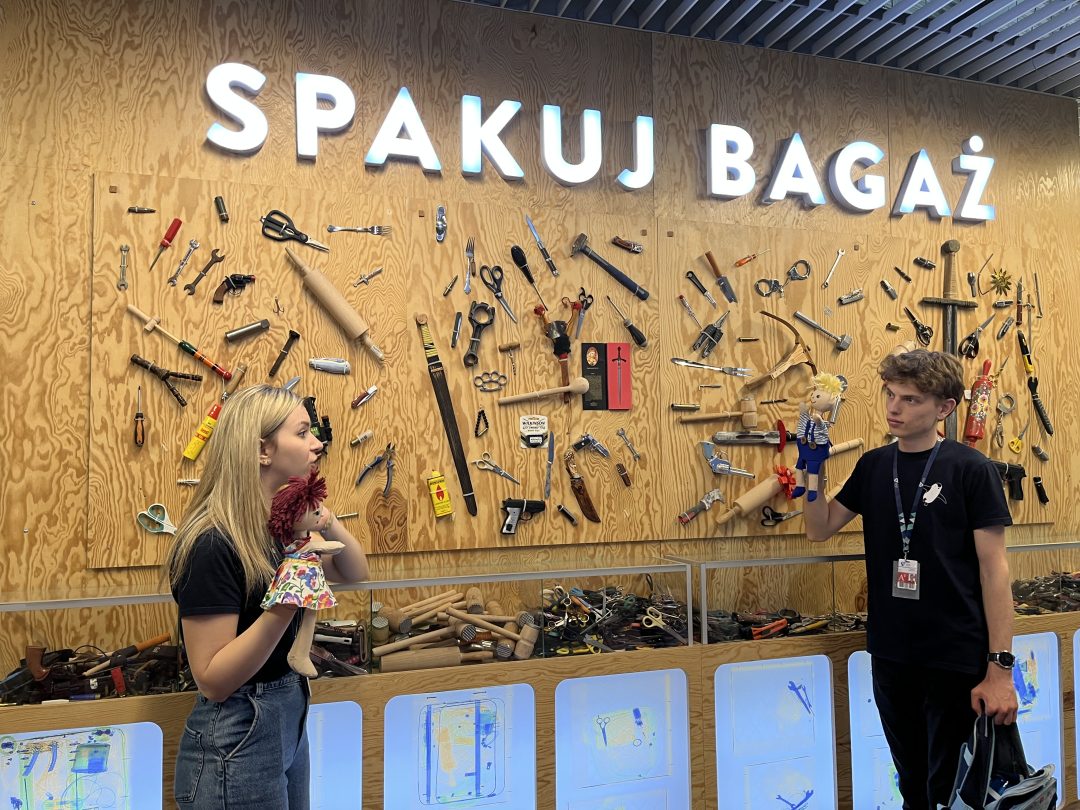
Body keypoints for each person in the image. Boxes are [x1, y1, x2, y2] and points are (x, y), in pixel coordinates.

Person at [802, 350, 1017, 810]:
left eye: (911, 399)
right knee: (914, 786)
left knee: (952, 790)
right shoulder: (874, 466)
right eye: (890, 395)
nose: (894, 408)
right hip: (892, 653)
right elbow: (819, 527)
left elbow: (995, 572)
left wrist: (1000, 669)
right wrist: (812, 471)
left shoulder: (971, 469)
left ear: (945, 408)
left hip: (956, 655)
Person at [165, 384, 369, 809]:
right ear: (262, 450)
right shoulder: (212, 544)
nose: (317, 443)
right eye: (303, 432)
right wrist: (289, 597)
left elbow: (354, 572)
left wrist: (324, 518)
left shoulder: (276, 531)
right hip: (238, 733)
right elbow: (213, 680)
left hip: (287, 712)